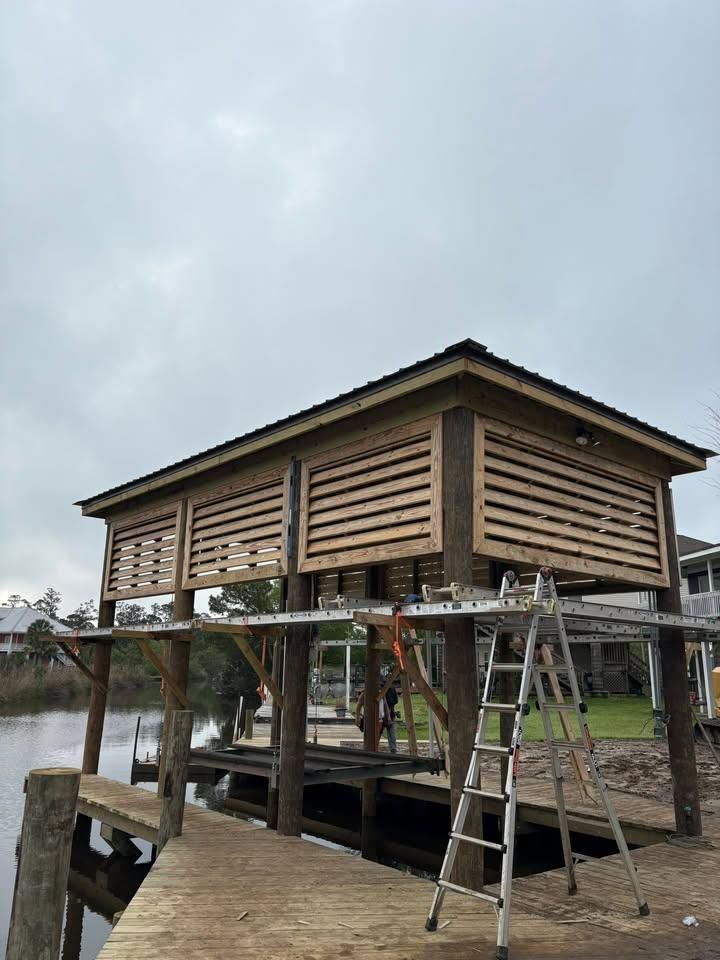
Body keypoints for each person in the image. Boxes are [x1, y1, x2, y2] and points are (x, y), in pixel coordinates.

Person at [355, 687, 398, 754]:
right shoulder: (364, 694)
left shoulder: (381, 694)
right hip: (368, 720)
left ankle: (375, 749)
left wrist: (389, 718)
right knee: (369, 737)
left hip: (379, 720)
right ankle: (369, 749)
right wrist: (357, 718)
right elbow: (358, 707)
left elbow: (386, 706)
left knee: (377, 737)